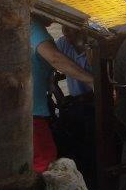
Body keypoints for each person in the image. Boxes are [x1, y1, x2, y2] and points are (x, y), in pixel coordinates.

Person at [29, 18, 94, 172]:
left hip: (32, 108)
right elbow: (54, 58)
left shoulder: (25, 26)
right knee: (45, 160)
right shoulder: (34, 28)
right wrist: (92, 80)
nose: (53, 19)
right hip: (31, 110)